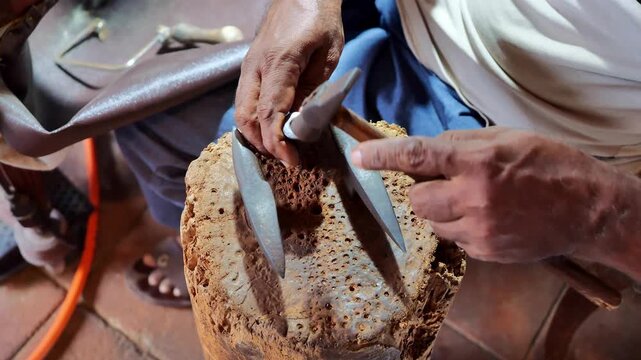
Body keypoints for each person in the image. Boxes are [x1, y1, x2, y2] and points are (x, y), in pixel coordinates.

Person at [115, 0, 641, 306]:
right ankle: (198, 255)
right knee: (142, 124)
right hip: (387, 11)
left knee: (318, 278)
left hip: (509, 121)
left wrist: (604, 214)